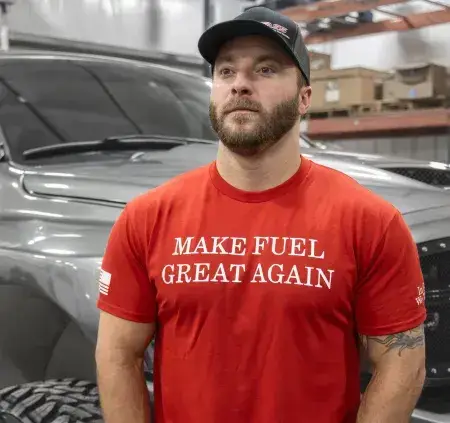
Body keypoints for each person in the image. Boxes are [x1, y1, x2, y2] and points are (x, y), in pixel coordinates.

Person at [94, 6, 426, 423]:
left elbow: (402, 363)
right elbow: (117, 353)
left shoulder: (370, 222)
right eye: (226, 71)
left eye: (266, 70)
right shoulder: (147, 218)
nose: (240, 84)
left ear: (304, 98)